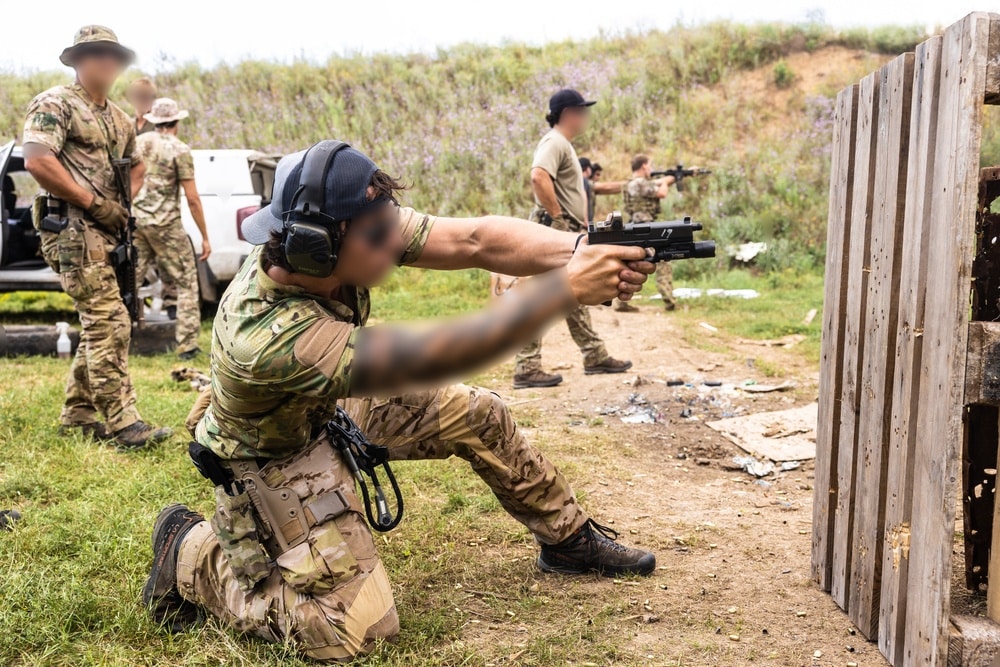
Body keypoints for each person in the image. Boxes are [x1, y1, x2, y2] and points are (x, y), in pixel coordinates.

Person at [142, 141, 658, 662]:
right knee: (349, 632)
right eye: (378, 235)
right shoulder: (269, 337)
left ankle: (567, 540)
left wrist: (581, 247)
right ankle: (190, 552)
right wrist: (564, 288)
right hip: (273, 455)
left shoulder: (343, 228)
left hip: (329, 407)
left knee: (478, 413)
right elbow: (432, 356)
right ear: (317, 245)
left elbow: (474, 239)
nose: (396, 243)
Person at [22, 25, 172, 450]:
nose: (105, 61)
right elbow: (37, 160)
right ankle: (125, 422)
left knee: (102, 320)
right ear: (78, 60)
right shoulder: (56, 103)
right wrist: (94, 202)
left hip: (107, 232)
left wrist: (120, 205)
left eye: (112, 55)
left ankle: (79, 412)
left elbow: (138, 167)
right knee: (110, 320)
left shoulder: (120, 119)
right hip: (70, 229)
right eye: (94, 54)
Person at [514, 89, 632, 389]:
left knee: (570, 290)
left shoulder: (561, 143)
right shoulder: (555, 141)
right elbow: (538, 176)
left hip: (561, 228)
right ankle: (527, 367)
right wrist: (558, 218)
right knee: (541, 295)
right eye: (582, 111)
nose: (585, 118)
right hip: (554, 229)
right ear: (568, 114)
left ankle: (594, 354)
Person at [133, 98, 211, 360]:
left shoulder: (138, 143)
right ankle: (187, 346)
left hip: (136, 223)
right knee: (187, 282)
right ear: (176, 122)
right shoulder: (179, 150)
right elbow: (192, 198)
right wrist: (204, 237)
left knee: (128, 282)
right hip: (166, 226)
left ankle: (116, 339)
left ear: (155, 121)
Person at [623, 154, 678, 311]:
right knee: (663, 259)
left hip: (634, 225)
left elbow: (652, 185)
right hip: (647, 227)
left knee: (630, 263)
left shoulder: (631, 183)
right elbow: (661, 193)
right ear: (644, 166)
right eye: (650, 166)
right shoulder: (641, 183)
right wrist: (667, 182)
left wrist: (669, 179)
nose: (652, 169)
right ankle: (669, 300)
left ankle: (621, 302)